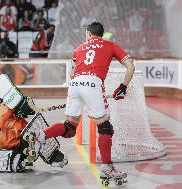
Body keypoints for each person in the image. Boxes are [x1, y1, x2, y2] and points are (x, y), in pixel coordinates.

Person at [39, 22, 135, 183]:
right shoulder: (111, 45)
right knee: (105, 127)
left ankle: (40, 136)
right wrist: (123, 87)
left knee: (69, 128)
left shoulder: (78, 49)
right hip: (93, 83)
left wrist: (80, 89)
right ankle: (107, 169)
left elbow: (72, 73)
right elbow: (130, 67)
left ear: (89, 33)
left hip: (75, 84)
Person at [0, 83, 67, 172]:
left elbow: (23, 103)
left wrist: (22, 107)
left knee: (33, 132)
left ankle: (53, 155)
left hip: (22, 144)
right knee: (32, 132)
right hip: (9, 152)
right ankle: (21, 161)